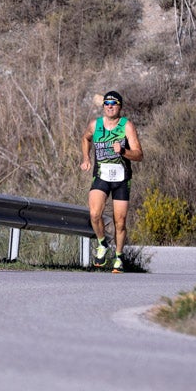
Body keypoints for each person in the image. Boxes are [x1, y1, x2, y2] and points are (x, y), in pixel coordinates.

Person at [80, 91, 143, 273]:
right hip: (101, 175)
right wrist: (86, 158)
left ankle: (119, 256)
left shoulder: (127, 126)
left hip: (122, 179)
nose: (110, 106)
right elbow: (85, 138)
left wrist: (123, 151)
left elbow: (139, 154)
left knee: (120, 222)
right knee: (94, 214)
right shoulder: (95, 125)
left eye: (113, 104)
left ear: (120, 107)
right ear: (103, 106)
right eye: (107, 103)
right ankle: (102, 244)